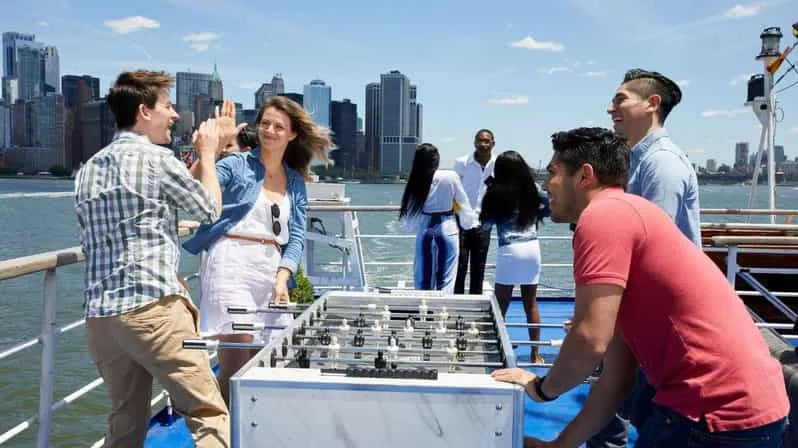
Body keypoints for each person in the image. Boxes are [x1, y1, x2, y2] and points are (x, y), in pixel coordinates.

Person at [492, 127, 788, 448]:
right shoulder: (631, 211)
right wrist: (559, 446)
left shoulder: (602, 216)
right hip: (756, 408)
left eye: (553, 172)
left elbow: (589, 338)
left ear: (584, 176)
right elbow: (616, 378)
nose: (545, 184)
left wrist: (541, 389)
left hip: (711, 412)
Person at [74, 70, 232, 447]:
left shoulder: (87, 170)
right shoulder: (157, 159)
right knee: (208, 412)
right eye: (168, 107)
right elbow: (209, 209)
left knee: (126, 421)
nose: (174, 115)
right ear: (144, 111)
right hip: (150, 310)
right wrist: (209, 154)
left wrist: (171, 222)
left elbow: (139, 215)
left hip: (102, 319)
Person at [183, 95, 333, 405]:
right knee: (236, 359)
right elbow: (192, 188)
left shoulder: (295, 181)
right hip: (230, 263)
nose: (269, 131)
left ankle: (244, 424)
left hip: (270, 270)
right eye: (265, 123)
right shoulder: (236, 165)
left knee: (261, 361)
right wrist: (210, 151)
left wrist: (282, 277)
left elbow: (296, 237)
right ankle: (223, 427)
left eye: (279, 126)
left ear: (292, 134)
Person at [589, 68, 702, 447]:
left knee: (619, 411)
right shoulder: (640, 160)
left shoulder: (661, 164)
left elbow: (651, 249)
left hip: (664, 319)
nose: (610, 109)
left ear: (652, 104)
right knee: (615, 409)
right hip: (646, 316)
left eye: (620, 100)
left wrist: (606, 316)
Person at [479, 150, 549, 363]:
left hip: (509, 249)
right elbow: (550, 206)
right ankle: (535, 354)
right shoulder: (532, 189)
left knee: (501, 303)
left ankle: (492, 348)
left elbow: (485, 224)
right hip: (532, 247)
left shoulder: (496, 192)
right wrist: (537, 213)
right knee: (531, 304)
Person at [400, 143, 478, 292]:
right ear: (437, 159)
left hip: (425, 229)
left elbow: (410, 214)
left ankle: (423, 306)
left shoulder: (416, 179)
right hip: (447, 228)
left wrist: (409, 227)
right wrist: (469, 223)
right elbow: (462, 204)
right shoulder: (450, 176)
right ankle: (443, 306)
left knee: (423, 278)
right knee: (446, 278)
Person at [452, 129, 496, 294]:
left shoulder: (498, 164)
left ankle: (475, 300)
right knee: (459, 265)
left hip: (484, 223)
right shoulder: (461, 163)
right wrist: (458, 213)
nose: (483, 144)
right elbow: (452, 193)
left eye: (487, 141)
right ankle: (456, 302)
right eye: (480, 141)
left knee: (479, 267)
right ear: (474, 143)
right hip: (461, 223)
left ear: (493, 143)